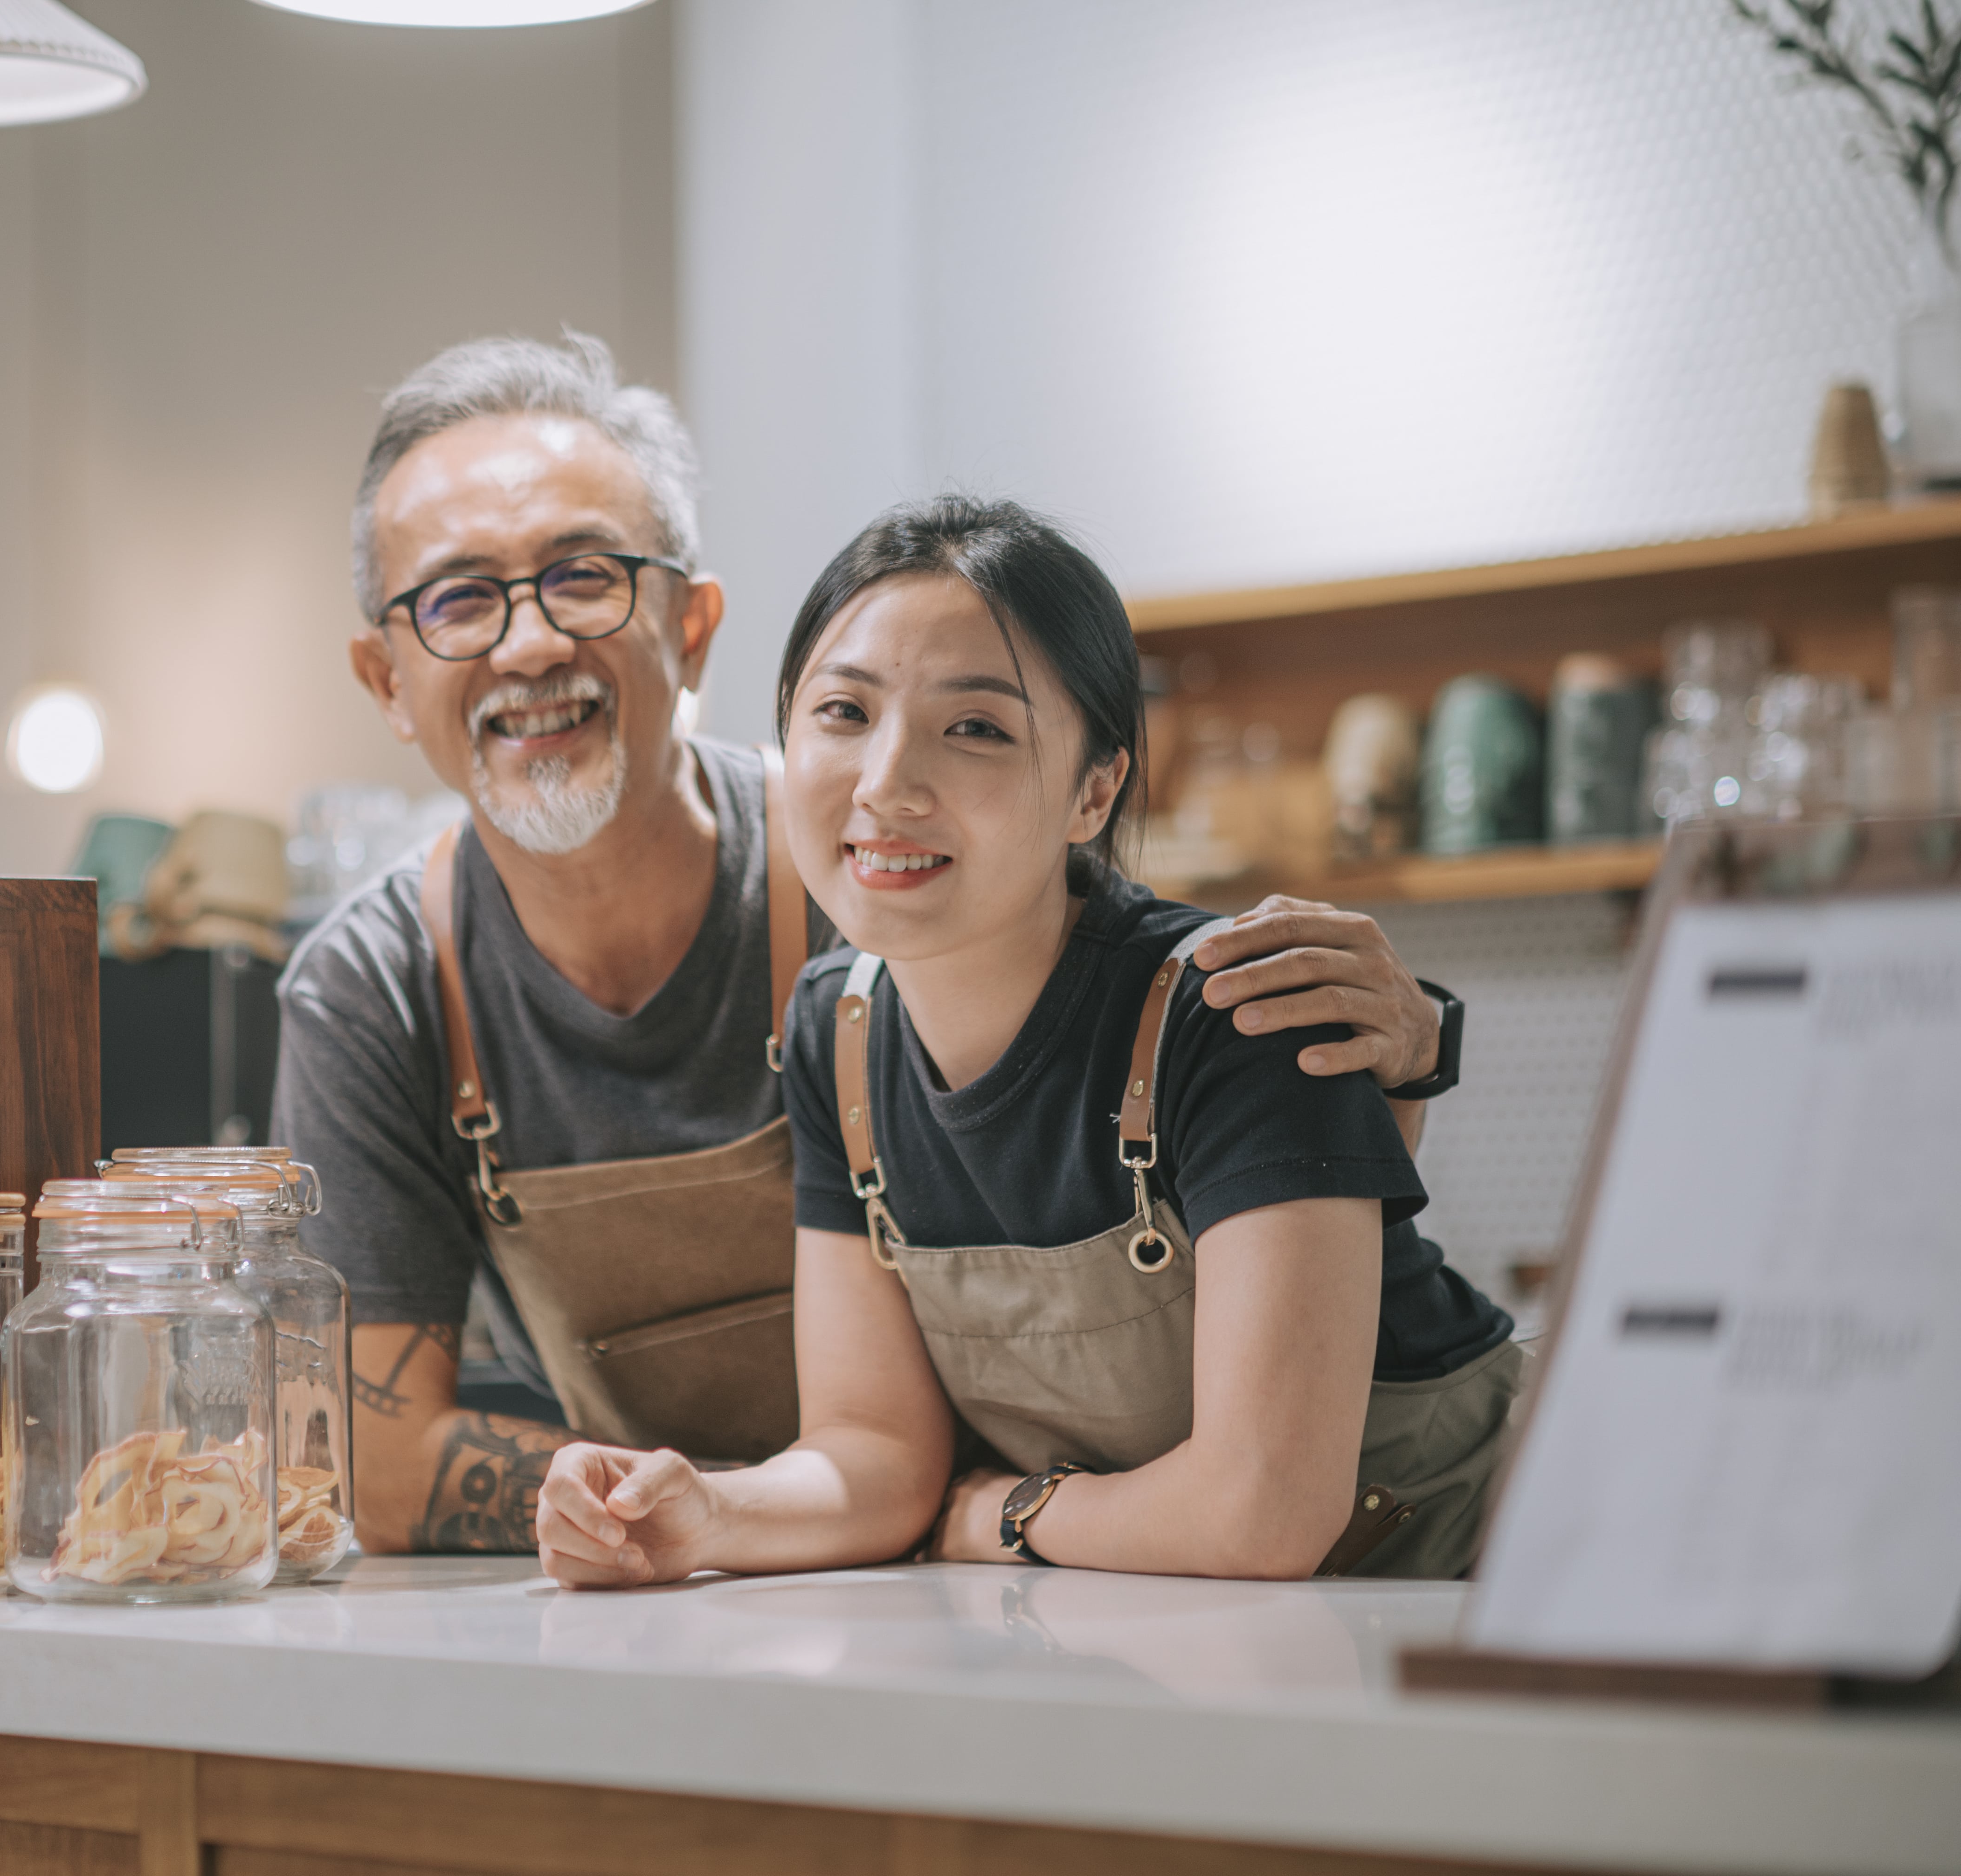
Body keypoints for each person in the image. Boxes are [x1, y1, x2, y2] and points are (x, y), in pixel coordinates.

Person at [270, 336, 1470, 1556]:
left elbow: (1173, 1105)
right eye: (461, 598)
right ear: (383, 674)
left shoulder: (904, 883)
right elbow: (374, 1458)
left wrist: (1402, 1068)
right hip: (907, 1581)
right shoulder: (400, 994)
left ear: (692, 630)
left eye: (584, 577)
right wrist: (705, 1517)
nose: (528, 645)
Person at [534, 497, 1519, 1588]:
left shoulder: (1238, 1009)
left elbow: (1264, 1511)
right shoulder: (839, 1033)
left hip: (1492, 1596)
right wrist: (705, 1513)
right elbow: (875, 1451)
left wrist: (1008, 1512)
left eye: (977, 728)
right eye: (843, 711)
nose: (885, 784)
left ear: (1095, 789)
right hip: (1182, 1632)